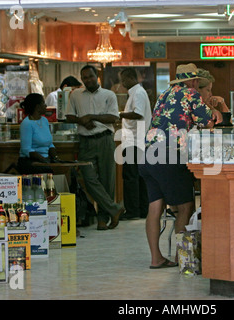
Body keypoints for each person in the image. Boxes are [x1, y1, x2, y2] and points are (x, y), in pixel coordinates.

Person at [138, 63, 221, 269]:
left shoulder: (164, 94)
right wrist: (216, 111)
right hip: (169, 156)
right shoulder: (192, 94)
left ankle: (156, 258)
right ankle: (182, 257)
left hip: (148, 155)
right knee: (185, 207)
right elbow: (209, 123)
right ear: (193, 81)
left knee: (155, 207)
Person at [65, 65, 125, 231]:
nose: (88, 80)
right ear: (82, 79)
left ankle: (102, 220)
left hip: (105, 139)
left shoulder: (109, 94)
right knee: (89, 179)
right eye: (84, 78)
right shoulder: (76, 95)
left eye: (90, 76)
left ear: (96, 75)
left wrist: (91, 117)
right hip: (85, 141)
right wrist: (81, 121)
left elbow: (113, 117)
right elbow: (69, 116)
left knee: (107, 180)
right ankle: (114, 209)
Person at [119, 68, 152, 220]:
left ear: (131, 78)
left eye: (123, 79)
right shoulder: (136, 92)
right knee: (138, 177)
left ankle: (132, 211)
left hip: (135, 140)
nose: (122, 83)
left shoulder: (137, 93)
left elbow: (138, 113)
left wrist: (118, 115)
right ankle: (142, 209)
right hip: (137, 140)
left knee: (131, 177)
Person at [17, 93, 60, 174]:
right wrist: (44, 160)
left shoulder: (44, 121)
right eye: (43, 103)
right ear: (37, 107)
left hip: (45, 160)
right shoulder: (27, 124)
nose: (46, 106)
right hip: (30, 162)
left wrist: (55, 158)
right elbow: (26, 149)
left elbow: (50, 144)